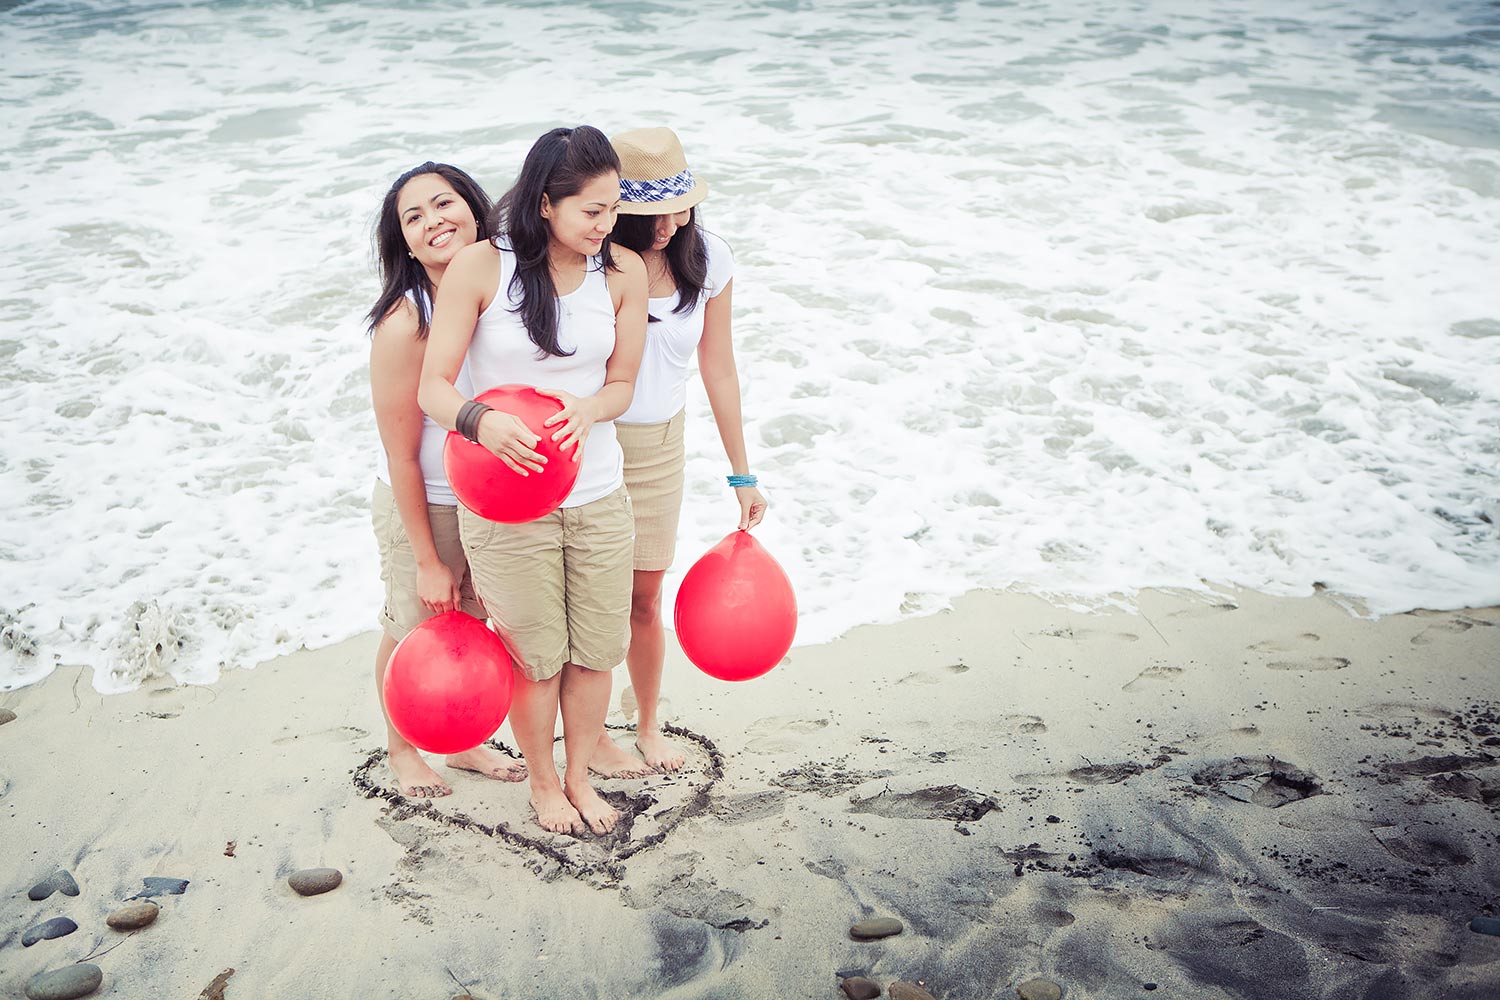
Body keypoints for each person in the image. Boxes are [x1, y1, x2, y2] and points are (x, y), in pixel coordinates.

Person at [417, 126, 648, 837]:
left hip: (598, 495)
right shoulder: (482, 268)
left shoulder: (623, 273)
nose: (606, 226)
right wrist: (479, 421)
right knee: (536, 657)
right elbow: (433, 387)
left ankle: (579, 777)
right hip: (505, 506)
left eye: (613, 210)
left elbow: (622, 386)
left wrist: (590, 408)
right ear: (547, 203)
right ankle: (543, 784)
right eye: (592, 211)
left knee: (595, 651)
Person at [594, 127, 767, 774]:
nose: (670, 223)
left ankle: (645, 722)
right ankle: (594, 731)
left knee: (643, 597)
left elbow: (719, 368)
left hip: (664, 445)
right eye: (652, 213)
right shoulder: (598, 261)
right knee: (594, 597)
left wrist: (741, 475)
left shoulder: (709, 258)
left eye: (680, 206)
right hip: (595, 443)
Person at [366, 161, 527, 798]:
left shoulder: (501, 295)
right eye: (415, 216)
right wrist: (428, 558)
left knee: (476, 623)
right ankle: (402, 747)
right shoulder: (407, 322)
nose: (434, 221)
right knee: (414, 624)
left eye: (444, 204)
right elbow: (403, 454)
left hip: (486, 500)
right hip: (426, 503)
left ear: (473, 208)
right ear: (404, 242)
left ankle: (461, 745)